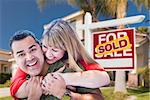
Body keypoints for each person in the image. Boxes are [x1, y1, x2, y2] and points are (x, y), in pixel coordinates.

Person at [10, 21, 109, 99]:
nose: (48, 54)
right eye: (44, 46)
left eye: (55, 49)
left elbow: (103, 78)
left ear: (67, 49)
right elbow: (15, 88)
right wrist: (43, 85)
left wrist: (61, 79)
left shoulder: (74, 64)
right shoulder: (33, 61)